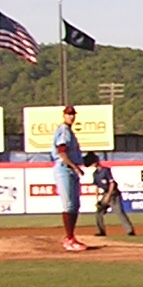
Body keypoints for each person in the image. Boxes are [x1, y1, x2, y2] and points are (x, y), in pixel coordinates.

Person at [52, 104, 86, 251]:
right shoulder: (64, 130)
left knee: (75, 205)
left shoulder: (69, 131)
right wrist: (75, 167)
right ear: (64, 116)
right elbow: (62, 152)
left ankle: (71, 237)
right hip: (64, 169)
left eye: (73, 114)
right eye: (68, 114)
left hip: (70, 169)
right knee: (68, 204)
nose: (71, 116)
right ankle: (69, 239)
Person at [88, 153, 134, 237]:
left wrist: (108, 197)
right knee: (99, 212)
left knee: (119, 212)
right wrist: (97, 200)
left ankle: (129, 231)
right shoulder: (95, 174)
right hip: (105, 193)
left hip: (113, 194)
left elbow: (112, 183)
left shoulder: (105, 170)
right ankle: (101, 231)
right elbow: (96, 187)